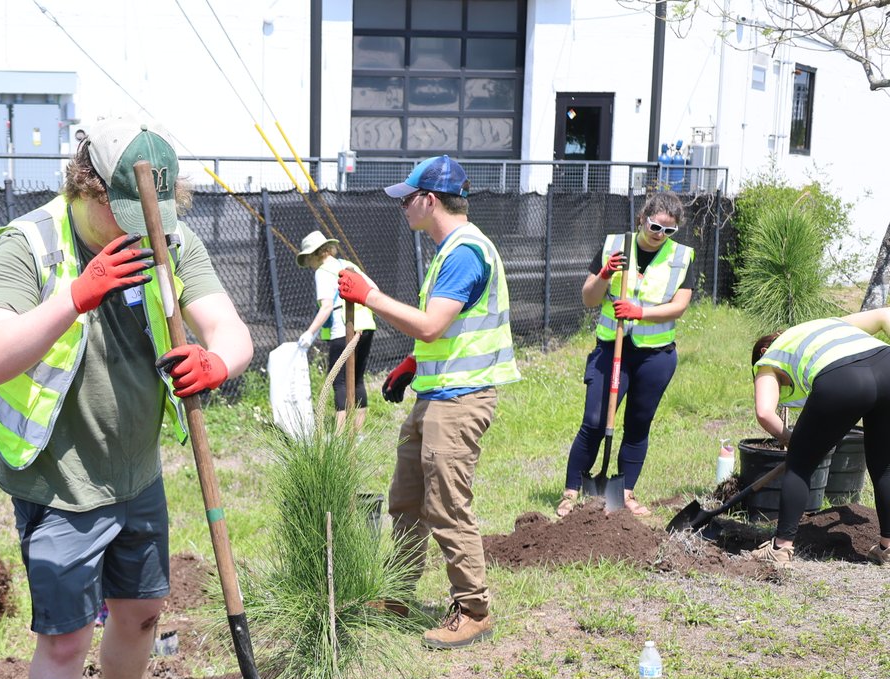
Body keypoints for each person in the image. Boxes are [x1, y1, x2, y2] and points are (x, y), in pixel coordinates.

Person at [0, 118, 252, 679]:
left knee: (141, 613)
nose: (138, 228)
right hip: (60, 481)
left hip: (136, 474)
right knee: (66, 639)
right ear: (86, 186)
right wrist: (75, 297)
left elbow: (229, 327)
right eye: (122, 211)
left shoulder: (168, 239)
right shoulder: (30, 245)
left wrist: (218, 362)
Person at [336, 155, 519, 649]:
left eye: (407, 199)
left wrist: (369, 296)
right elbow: (448, 330)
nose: (402, 207)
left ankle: (474, 610)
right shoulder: (448, 251)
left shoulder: (463, 253)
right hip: (435, 395)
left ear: (430, 200)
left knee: (447, 506)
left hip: (460, 401)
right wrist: (414, 363)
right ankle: (397, 593)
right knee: (406, 501)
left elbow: (433, 325)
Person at [556, 192, 696, 518]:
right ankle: (571, 492)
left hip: (656, 356)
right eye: (655, 226)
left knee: (638, 424)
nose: (660, 234)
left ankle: (625, 492)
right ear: (642, 219)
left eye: (669, 230)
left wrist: (639, 312)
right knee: (594, 421)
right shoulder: (614, 246)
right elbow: (589, 299)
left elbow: (679, 306)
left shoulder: (681, 256)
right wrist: (604, 274)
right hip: (612, 348)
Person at [746, 308, 890, 565]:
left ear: (763, 351)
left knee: (799, 465)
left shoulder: (770, 358)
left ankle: (780, 548)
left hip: (843, 378)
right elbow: (885, 315)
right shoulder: (825, 325)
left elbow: (764, 412)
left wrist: (791, 440)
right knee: (885, 466)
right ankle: (888, 548)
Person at [296, 230, 377, 432]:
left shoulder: (322, 272)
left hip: (344, 328)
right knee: (357, 380)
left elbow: (326, 307)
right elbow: (374, 289)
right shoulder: (346, 264)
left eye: (308, 258)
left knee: (339, 382)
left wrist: (309, 333)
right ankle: (357, 434)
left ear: (316, 254)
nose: (309, 264)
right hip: (366, 325)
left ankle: (340, 437)